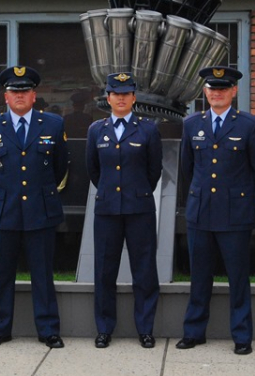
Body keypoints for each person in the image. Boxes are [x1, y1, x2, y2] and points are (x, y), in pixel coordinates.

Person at [175, 66, 255, 355]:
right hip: (201, 212)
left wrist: (237, 194)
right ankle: (193, 332)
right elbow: (187, 168)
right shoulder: (191, 124)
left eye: (223, 88)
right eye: (212, 89)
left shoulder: (248, 124)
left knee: (238, 278)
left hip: (234, 214)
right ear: (205, 92)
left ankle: (242, 336)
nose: (217, 93)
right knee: (199, 276)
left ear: (234, 91)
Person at [0, 65, 69, 349]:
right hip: (4, 211)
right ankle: (0, 329)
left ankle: (48, 330)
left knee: (43, 274)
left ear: (34, 95)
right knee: (2, 275)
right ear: (5, 96)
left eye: (25, 91)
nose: (20, 96)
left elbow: (59, 166)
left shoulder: (53, 124)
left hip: (40, 211)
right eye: (14, 91)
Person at [85, 72, 162, 349]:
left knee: (144, 271)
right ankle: (104, 328)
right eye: (115, 94)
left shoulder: (148, 130)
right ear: (108, 98)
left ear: (133, 98)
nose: (120, 98)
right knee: (105, 271)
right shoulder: (96, 129)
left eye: (126, 93)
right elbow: (93, 170)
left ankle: (145, 328)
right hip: (107, 210)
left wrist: (135, 190)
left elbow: (154, 171)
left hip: (139, 208)